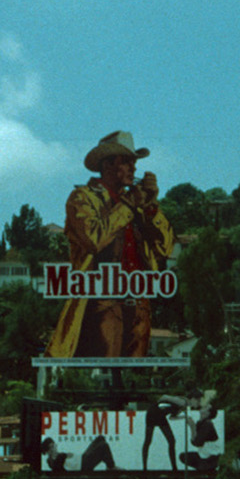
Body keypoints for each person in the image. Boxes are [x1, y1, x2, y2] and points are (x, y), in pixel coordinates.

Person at [46, 131, 177, 359]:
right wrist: (129, 206)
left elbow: (166, 247)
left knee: (134, 375)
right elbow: (93, 239)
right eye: (126, 162)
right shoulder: (82, 198)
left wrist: (151, 206)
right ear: (106, 164)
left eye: (133, 162)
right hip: (102, 303)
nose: (133, 169)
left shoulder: (136, 201)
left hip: (139, 303)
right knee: (105, 368)